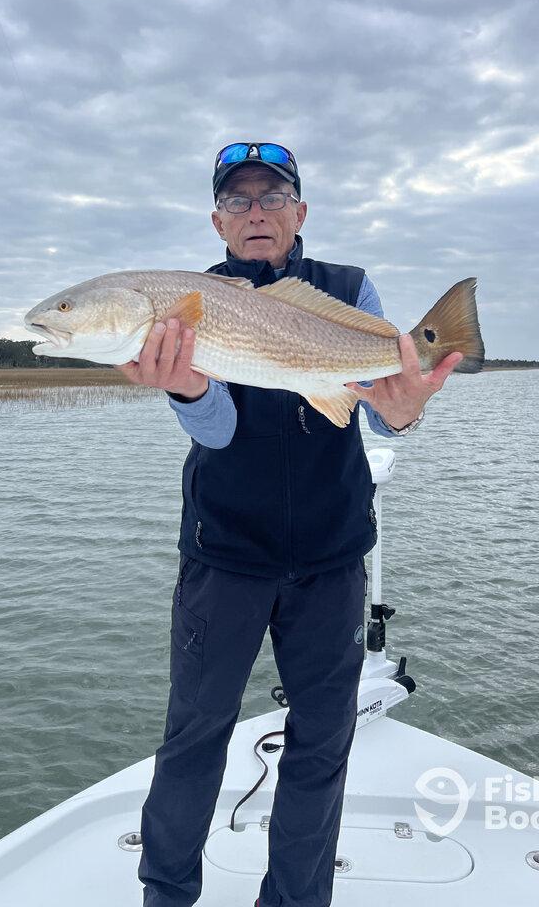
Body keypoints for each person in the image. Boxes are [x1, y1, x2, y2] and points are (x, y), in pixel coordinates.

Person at [116, 143, 462, 907]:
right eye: (238, 202)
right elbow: (215, 430)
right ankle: (166, 895)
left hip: (331, 560)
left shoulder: (349, 288)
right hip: (225, 554)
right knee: (193, 738)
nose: (257, 212)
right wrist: (185, 392)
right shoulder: (188, 302)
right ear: (218, 222)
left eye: (272, 197)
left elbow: (382, 403)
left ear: (300, 212)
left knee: (321, 743)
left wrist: (403, 413)